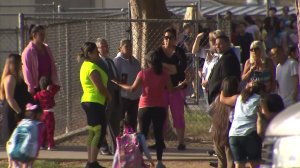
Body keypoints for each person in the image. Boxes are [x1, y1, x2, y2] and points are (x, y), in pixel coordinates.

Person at [112, 50, 189, 168]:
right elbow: (171, 90)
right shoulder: (164, 74)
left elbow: (132, 89)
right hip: (159, 107)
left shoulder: (143, 73)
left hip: (145, 107)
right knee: (159, 135)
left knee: (142, 135)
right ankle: (159, 162)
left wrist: (119, 83)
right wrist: (181, 85)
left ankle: (140, 160)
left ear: (148, 62)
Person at [78, 42, 111, 168]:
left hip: (90, 101)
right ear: (90, 53)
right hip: (94, 101)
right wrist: (109, 96)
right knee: (99, 131)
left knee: (93, 132)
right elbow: (100, 87)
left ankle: (91, 161)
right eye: (96, 51)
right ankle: (92, 162)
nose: (98, 53)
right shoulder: (91, 67)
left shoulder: (86, 65)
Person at [156, 27, 188, 150]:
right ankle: (161, 141)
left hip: (177, 88)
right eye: (166, 37)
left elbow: (179, 69)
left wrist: (165, 67)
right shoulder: (158, 51)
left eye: (170, 37)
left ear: (175, 39)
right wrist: (171, 68)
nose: (168, 40)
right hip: (162, 89)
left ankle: (181, 142)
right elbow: (154, 64)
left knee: (178, 115)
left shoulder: (180, 52)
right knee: (161, 116)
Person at [227, 81, 272, 168]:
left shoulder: (240, 98)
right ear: (261, 91)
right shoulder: (259, 99)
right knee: (254, 163)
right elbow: (267, 115)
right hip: (250, 135)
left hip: (234, 135)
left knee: (239, 164)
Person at [0, 54, 33, 144]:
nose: (22, 64)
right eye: (20, 63)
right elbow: (9, 98)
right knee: (12, 140)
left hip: (18, 111)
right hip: (12, 112)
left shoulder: (18, 78)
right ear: (14, 64)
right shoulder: (10, 78)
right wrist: (19, 112)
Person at [96, 38, 121, 155]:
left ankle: (115, 148)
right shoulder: (97, 62)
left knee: (114, 122)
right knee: (103, 122)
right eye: (102, 46)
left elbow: (115, 77)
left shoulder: (110, 61)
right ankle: (103, 146)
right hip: (105, 95)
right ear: (97, 49)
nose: (105, 48)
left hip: (115, 94)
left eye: (106, 45)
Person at [211, 76, 240, 168]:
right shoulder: (236, 101)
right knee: (231, 161)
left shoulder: (217, 99)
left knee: (221, 162)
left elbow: (210, 112)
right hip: (229, 134)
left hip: (216, 132)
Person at [21, 24, 58, 95]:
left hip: (48, 86)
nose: (43, 37)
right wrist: (31, 88)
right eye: (41, 35)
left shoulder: (47, 48)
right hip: (36, 88)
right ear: (34, 35)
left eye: (44, 34)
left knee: (48, 105)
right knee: (38, 106)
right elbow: (26, 71)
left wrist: (54, 82)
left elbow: (52, 65)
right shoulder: (28, 52)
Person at [113, 39, 141, 131]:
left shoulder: (135, 62)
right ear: (120, 48)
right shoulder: (117, 61)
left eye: (130, 46)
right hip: (122, 96)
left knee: (132, 120)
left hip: (134, 96)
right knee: (119, 120)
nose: (129, 48)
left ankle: (131, 142)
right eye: (126, 46)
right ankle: (119, 140)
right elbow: (114, 79)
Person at [7, 103, 44, 168]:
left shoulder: (21, 122)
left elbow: (14, 136)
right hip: (27, 151)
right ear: (38, 115)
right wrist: (36, 151)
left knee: (17, 163)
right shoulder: (38, 125)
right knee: (27, 163)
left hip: (13, 150)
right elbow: (39, 139)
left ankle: (14, 166)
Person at [207, 34, 241, 105]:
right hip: (217, 98)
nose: (217, 46)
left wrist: (222, 96)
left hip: (221, 99)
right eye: (216, 44)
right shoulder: (224, 57)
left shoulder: (228, 59)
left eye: (220, 44)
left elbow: (227, 80)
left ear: (228, 44)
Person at [33, 76, 60, 151]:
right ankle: (50, 145)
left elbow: (34, 98)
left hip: (42, 113)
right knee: (50, 129)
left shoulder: (38, 94)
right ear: (49, 85)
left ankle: (42, 144)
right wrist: (50, 87)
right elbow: (57, 87)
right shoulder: (50, 93)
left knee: (43, 130)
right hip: (49, 113)